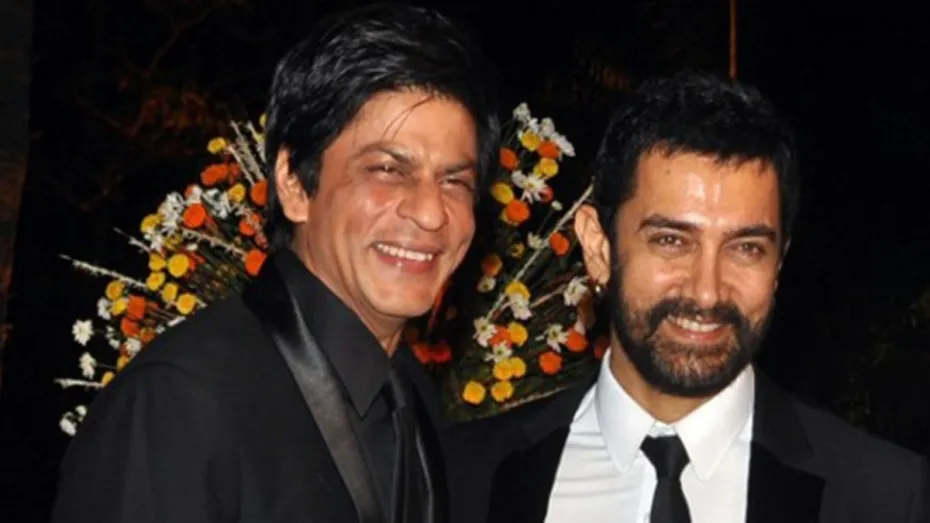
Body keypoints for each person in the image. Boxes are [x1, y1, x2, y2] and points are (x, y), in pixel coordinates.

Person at [51, 4, 498, 523]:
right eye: (387, 170)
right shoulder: (180, 401)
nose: (430, 213)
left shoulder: (412, 394)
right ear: (293, 183)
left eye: (454, 181)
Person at [474, 72, 929, 523]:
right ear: (598, 248)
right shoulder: (470, 479)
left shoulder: (883, 497)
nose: (707, 291)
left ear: (779, 264)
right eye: (671, 241)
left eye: (746, 248)